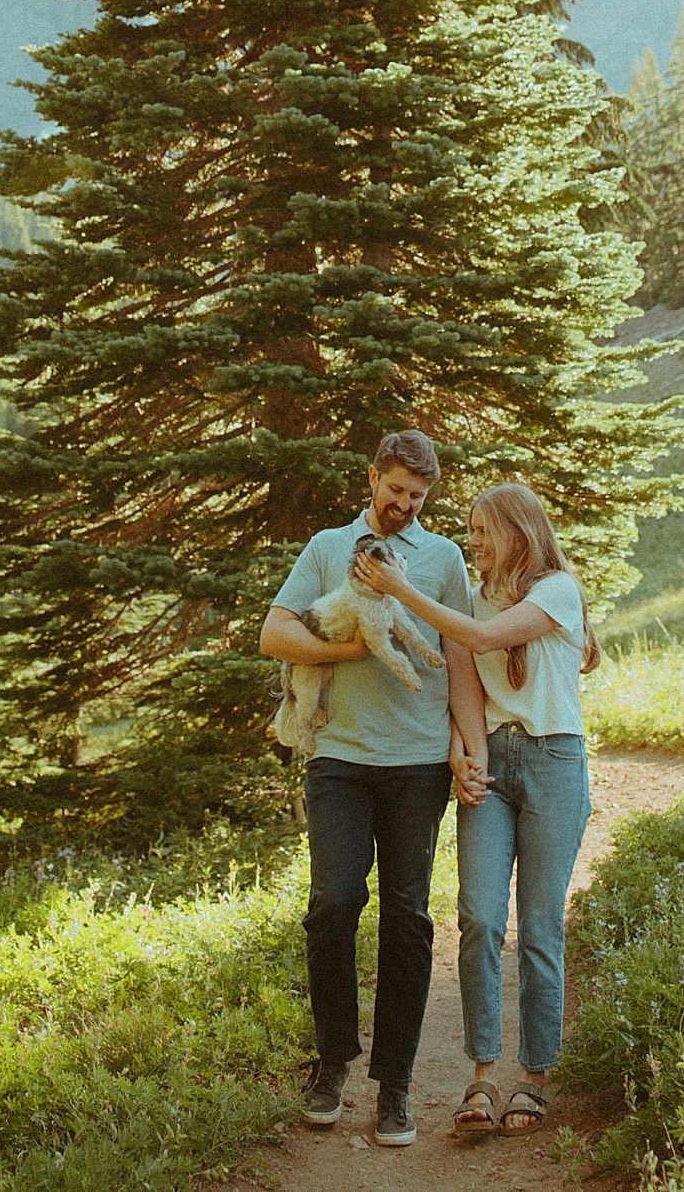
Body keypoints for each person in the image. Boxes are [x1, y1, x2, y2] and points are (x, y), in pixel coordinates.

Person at [260, 429, 486, 1150]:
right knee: (333, 902)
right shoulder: (329, 546)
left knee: (408, 916)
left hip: (417, 763)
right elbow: (274, 633)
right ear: (372, 480)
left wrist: (462, 748)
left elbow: (457, 658)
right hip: (340, 758)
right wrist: (348, 651)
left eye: (417, 497)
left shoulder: (444, 558)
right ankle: (331, 1065)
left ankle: (395, 1085)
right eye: (395, 492)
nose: (404, 506)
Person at [354, 481, 599, 1137]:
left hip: (553, 763)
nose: (474, 543)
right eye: (471, 531)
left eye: (483, 531)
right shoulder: (476, 596)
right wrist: (463, 752)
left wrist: (402, 589)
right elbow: (463, 675)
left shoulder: (556, 592)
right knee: (479, 918)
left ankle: (536, 1078)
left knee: (540, 929)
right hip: (493, 758)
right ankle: (484, 1077)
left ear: (516, 533)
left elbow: (485, 641)